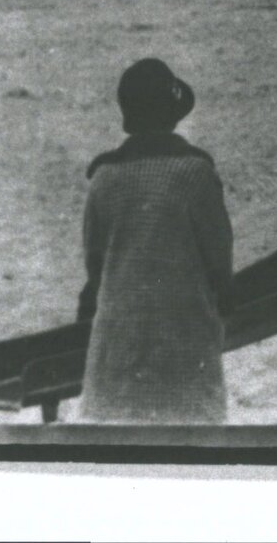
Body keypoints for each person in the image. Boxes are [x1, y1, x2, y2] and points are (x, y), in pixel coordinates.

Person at [76, 58, 233, 424]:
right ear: (173, 115)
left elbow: (94, 263)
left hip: (119, 336)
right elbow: (218, 258)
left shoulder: (103, 178)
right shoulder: (195, 173)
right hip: (183, 333)